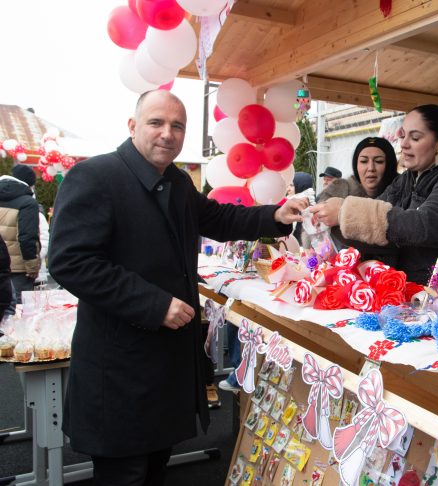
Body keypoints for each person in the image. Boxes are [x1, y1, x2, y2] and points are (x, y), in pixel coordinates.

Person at [48, 90, 307, 485]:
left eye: (177, 126)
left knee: (154, 468)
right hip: (118, 369)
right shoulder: (96, 176)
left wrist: (275, 215)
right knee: (125, 473)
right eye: (156, 122)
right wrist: (153, 304)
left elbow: (219, 219)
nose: (167, 133)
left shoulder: (177, 181)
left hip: (163, 368)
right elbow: (71, 262)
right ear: (133, 126)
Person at [311, 105, 438, 284]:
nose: (403, 144)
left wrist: (345, 212)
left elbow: (424, 225)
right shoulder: (406, 179)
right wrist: (333, 221)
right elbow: (377, 229)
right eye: (402, 136)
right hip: (408, 291)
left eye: (415, 138)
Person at [0, 164, 40, 301]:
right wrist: (32, 266)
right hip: (17, 268)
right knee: (18, 307)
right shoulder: (28, 203)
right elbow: (27, 237)